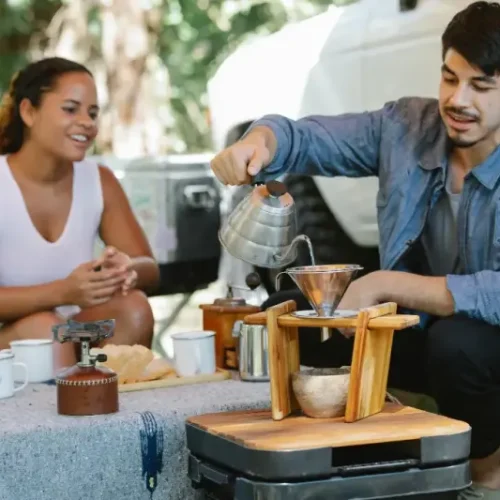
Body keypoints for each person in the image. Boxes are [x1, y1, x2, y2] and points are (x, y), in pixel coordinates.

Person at [210, 2, 500, 498]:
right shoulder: (407, 127)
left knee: (460, 348)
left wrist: (384, 283)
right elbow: (309, 138)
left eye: (480, 86)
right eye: (449, 78)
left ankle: (489, 477)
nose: (457, 99)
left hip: (483, 340)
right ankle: (330, 473)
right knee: (298, 315)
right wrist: (258, 141)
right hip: (422, 329)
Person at [0, 57, 160, 370]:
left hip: (71, 332)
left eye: (93, 113)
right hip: (14, 341)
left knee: (134, 308)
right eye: (70, 109)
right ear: (28, 112)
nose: (87, 122)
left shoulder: (98, 179)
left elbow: (150, 269)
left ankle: (109, 412)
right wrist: (64, 291)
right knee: (47, 331)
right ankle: (52, 419)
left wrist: (127, 270)